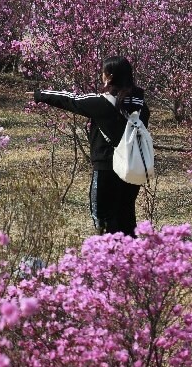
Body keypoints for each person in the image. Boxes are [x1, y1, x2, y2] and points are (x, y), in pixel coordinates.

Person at [32, 56, 150, 237]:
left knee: (102, 217)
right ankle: (131, 260)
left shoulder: (102, 104)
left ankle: (109, 259)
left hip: (106, 169)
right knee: (126, 216)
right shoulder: (142, 107)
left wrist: (40, 95)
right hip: (133, 168)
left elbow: (71, 99)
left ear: (109, 76)